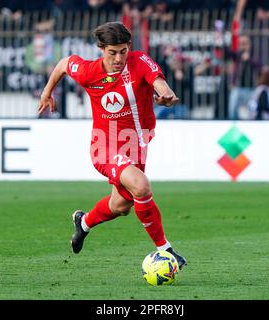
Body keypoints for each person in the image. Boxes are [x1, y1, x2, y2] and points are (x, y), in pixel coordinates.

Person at [37, 22, 187, 269]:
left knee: (122, 205)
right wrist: (47, 91)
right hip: (104, 146)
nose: (118, 58)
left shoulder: (139, 61)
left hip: (136, 144)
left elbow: (158, 81)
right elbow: (64, 64)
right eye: (112, 52)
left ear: (129, 47)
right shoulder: (88, 72)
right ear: (101, 49)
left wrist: (166, 93)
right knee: (141, 185)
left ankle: (83, 223)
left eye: (123, 51)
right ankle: (166, 250)